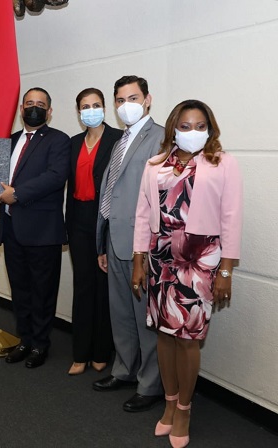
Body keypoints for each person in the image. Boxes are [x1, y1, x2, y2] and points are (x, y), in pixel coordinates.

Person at [132, 100, 243, 447]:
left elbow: (231, 217)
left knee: (189, 337)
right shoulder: (155, 165)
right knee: (164, 335)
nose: (192, 132)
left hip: (201, 258)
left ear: (209, 128)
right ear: (173, 128)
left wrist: (226, 268)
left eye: (199, 125)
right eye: (185, 125)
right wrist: (138, 259)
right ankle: (167, 403)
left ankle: (184, 408)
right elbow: (142, 213)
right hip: (160, 256)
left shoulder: (222, 163)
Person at [93, 75, 165, 411]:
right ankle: (124, 370)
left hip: (143, 247)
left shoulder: (161, 137)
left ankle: (150, 385)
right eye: (120, 100)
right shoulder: (121, 140)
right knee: (120, 313)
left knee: (145, 318)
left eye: (133, 98)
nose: (126, 106)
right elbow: (113, 191)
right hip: (114, 239)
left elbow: (162, 196)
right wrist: (102, 242)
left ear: (148, 100)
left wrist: (147, 248)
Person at [0, 87, 70, 369]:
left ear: (49, 111)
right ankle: (25, 340)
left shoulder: (59, 140)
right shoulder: (10, 141)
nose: (34, 108)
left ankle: (40, 344)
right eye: (29, 103)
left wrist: (17, 194)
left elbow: (55, 176)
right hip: (12, 228)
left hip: (42, 230)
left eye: (41, 104)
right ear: (21, 109)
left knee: (42, 291)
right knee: (20, 290)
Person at [65, 88, 123, 375]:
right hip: (78, 220)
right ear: (78, 112)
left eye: (96, 105)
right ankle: (80, 352)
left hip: (105, 221)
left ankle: (101, 350)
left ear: (105, 108)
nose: (90, 110)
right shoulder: (74, 143)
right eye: (85, 106)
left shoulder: (117, 140)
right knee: (83, 286)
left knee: (103, 290)